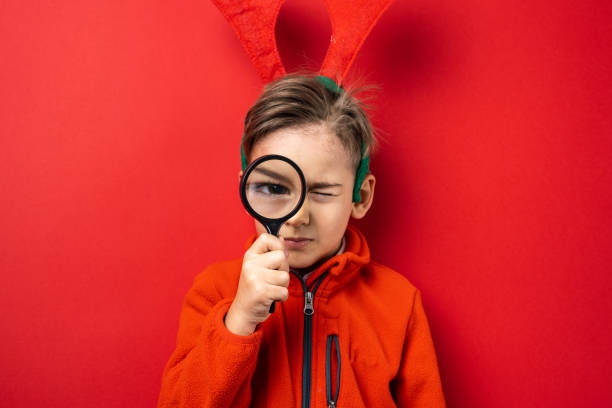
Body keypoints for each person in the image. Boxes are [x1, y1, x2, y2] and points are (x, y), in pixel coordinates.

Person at [157, 73, 446, 407]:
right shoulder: (214, 292)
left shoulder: (399, 303)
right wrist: (238, 321)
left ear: (360, 196)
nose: (297, 217)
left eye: (322, 192)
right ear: (246, 189)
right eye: (274, 188)